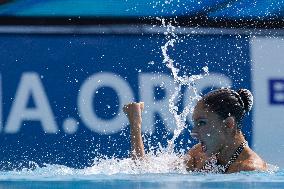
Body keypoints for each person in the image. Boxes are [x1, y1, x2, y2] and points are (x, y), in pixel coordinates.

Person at [123, 88, 267, 173]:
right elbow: (145, 170)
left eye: (202, 123)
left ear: (228, 124)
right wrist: (136, 126)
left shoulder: (249, 169)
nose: (194, 132)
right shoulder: (200, 154)